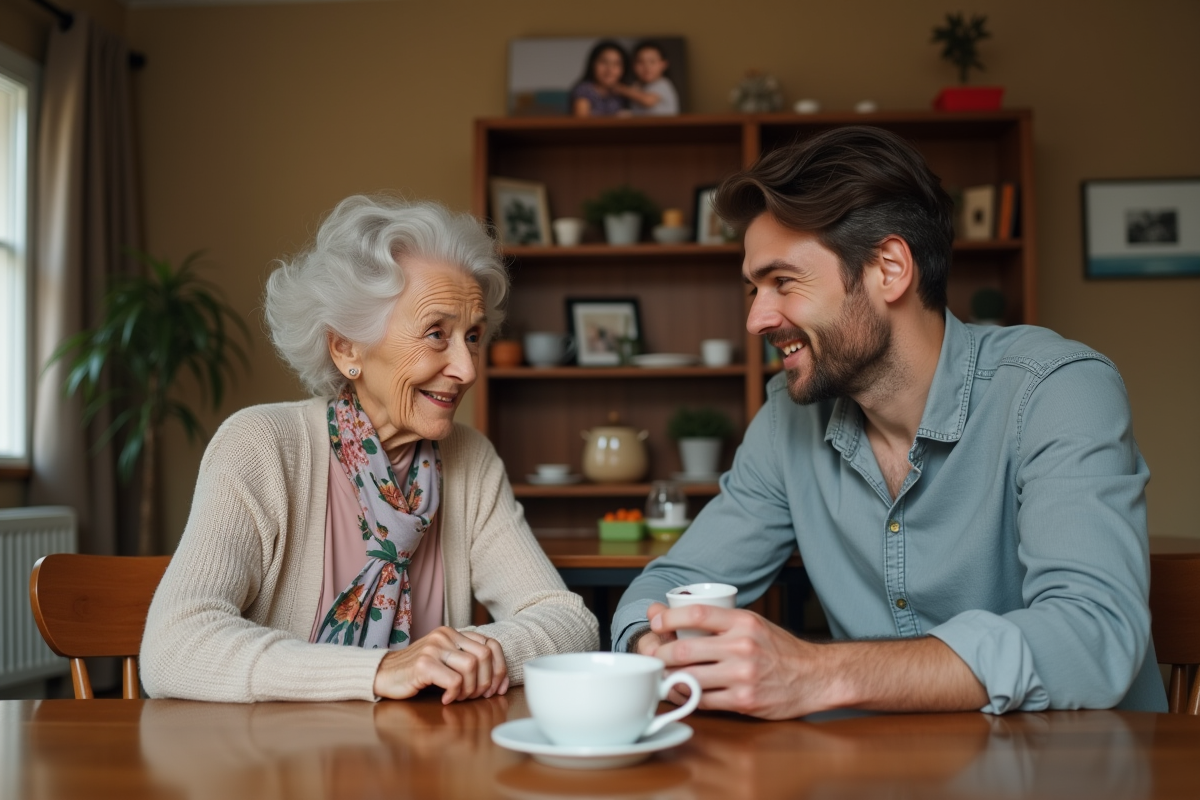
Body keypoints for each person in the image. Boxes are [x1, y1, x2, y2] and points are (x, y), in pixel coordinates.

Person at [612, 126, 1167, 718]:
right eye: (752, 289)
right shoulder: (786, 422)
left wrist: (816, 673)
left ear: (890, 268)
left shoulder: (1057, 389)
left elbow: (1093, 637)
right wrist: (655, 647)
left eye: (783, 282)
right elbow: (667, 586)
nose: (757, 319)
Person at [141, 195, 598, 703]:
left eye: (472, 337)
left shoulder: (471, 459)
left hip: (428, 767)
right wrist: (381, 670)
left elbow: (568, 622)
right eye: (435, 334)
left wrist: (463, 656)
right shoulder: (262, 447)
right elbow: (172, 648)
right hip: (280, 772)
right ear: (346, 347)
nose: (467, 369)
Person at [570, 40, 630, 117]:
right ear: (593, 64)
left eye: (616, 64)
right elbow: (582, 123)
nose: (610, 70)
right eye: (604, 62)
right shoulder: (583, 90)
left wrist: (626, 91)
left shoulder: (625, 92)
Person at [623, 40, 679, 116]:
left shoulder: (663, 83)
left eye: (652, 62)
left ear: (664, 64)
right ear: (633, 65)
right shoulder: (638, 86)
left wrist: (619, 88)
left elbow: (648, 101)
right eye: (640, 62)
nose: (647, 67)